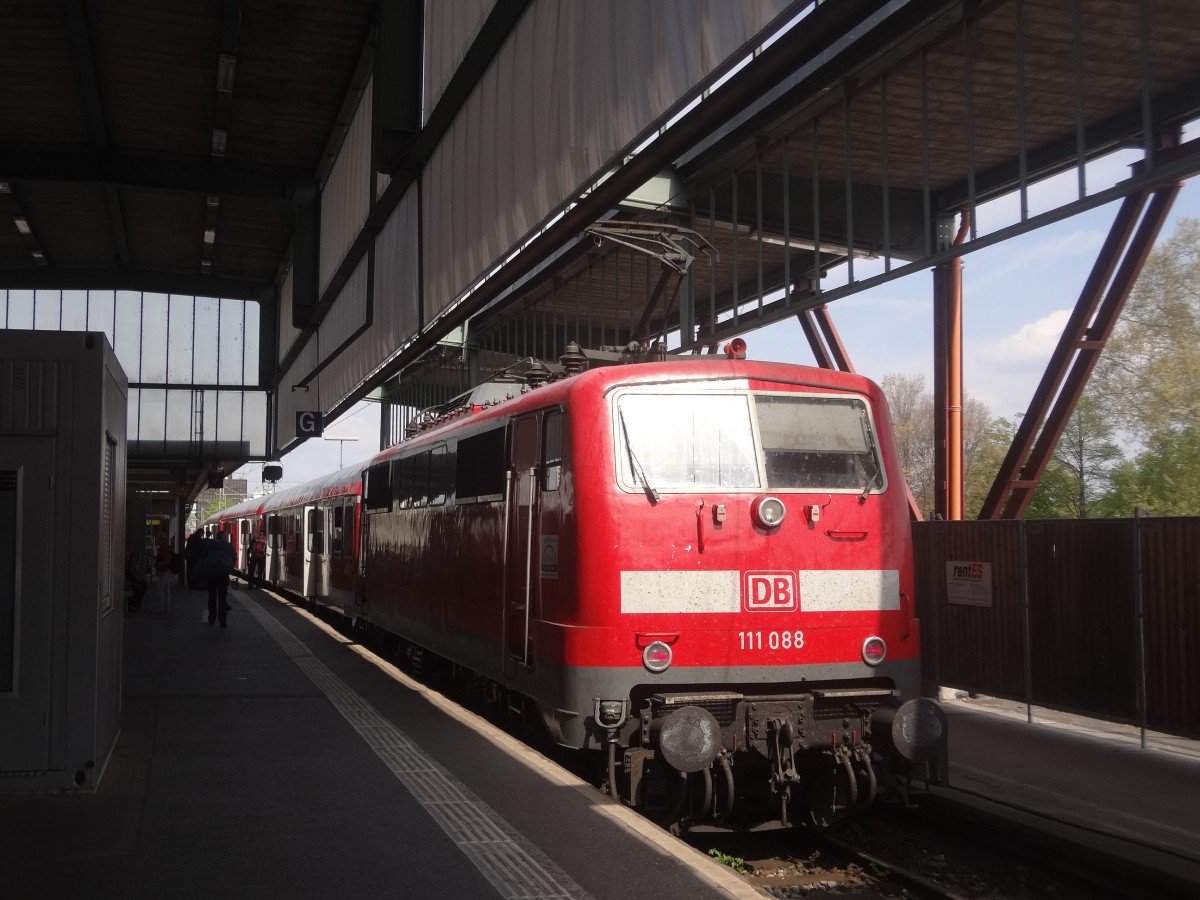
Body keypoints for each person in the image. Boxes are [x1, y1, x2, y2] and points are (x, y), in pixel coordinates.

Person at [199, 531, 237, 627]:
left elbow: (203, 556)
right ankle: (222, 619)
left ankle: (211, 618)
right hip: (223, 575)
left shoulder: (211, 545)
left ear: (216, 537)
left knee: (212, 596)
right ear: (224, 537)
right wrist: (229, 568)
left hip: (212, 574)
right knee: (222, 598)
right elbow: (234, 557)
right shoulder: (228, 546)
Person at [153, 534, 176, 612]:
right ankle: (167, 606)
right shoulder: (168, 547)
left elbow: (164, 560)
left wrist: (160, 566)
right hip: (168, 570)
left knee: (160, 588)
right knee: (167, 589)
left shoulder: (163, 548)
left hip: (164, 571)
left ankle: (161, 606)